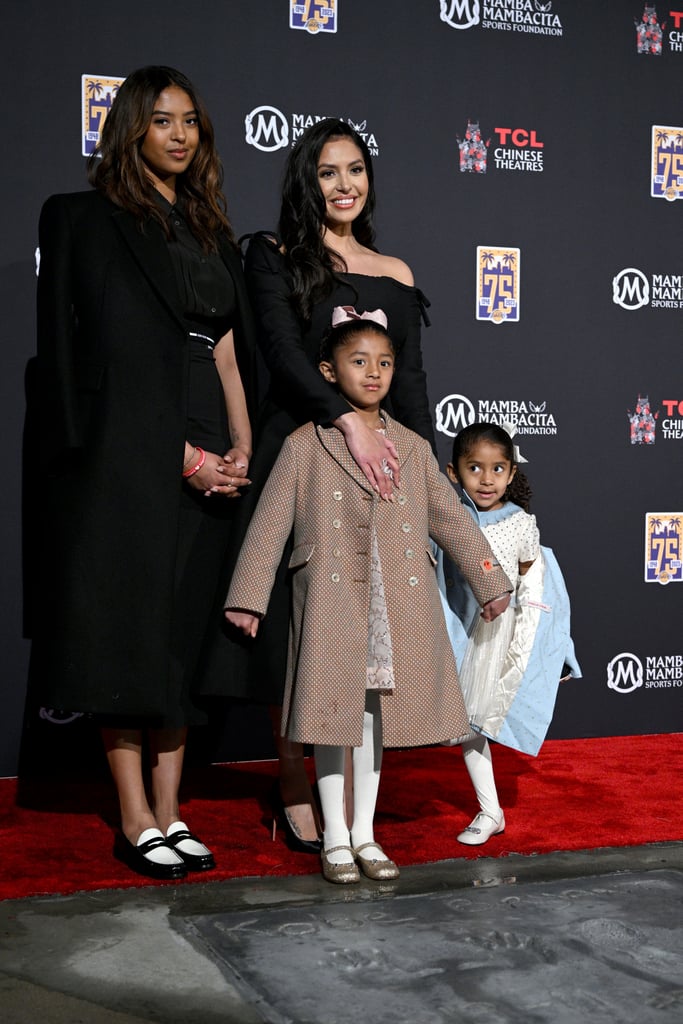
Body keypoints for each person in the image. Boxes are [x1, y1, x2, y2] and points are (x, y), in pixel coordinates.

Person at [35, 66, 257, 879]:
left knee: (181, 639)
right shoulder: (83, 220)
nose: (178, 134)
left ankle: (171, 811)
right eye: (161, 119)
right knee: (125, 633)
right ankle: (133, 816)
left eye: (190, 120)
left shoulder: (209, 232)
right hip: (126, 453)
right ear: (129, 125)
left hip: (208, 429)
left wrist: (238, 446)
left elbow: (227, 347)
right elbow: (81, 365)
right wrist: (176, 456)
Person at [207, 117, 437, 851]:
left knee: (362, 627)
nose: (344, 185)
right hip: (301, 452)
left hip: (379, 468)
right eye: (328, 172)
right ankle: (292, 778)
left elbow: (412, 392)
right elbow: (278, 352)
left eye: (355, 170)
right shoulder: (273, 256)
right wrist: (346, 419)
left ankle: (352, 794)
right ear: (306, 183)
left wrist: (421, 477)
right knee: (293, 635)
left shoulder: (396, 274)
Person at [225, 309, 512, 883]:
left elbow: (450, 521)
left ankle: (365, 835)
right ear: (329, 371)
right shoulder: (306, 443)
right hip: (333, 599)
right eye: (359, 362)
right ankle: (334, 838)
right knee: (333, 718)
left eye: (384, 363)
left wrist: (490, 579)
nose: (374, 373)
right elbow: (269, 522)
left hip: (396, 603)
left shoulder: (410, 446)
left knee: (374, 724)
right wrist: (248, 595)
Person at [438, 422, 581, 846]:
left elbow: (538, 586)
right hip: (456, 632)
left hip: (499, 640)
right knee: (464, 727)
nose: (486, 479)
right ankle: (491, 811)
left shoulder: (521, 523)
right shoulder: (448, 517)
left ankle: (489, 811)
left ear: (512, 473)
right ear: (453, 472)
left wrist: (556, 650)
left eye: (498, 468)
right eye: (475, 468)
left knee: (474, 725)